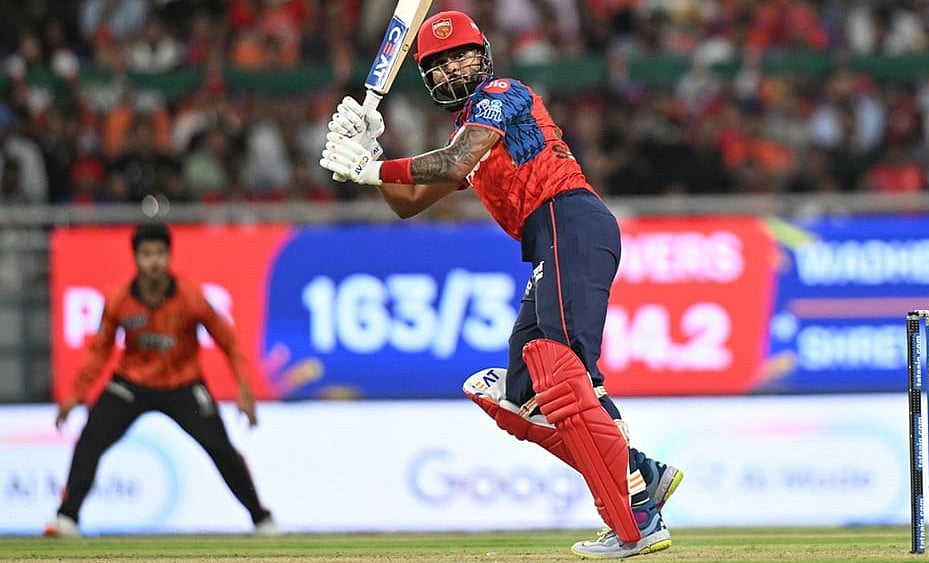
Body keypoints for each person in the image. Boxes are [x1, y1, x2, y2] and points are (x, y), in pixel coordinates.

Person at [319, 10, 682, 559]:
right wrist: (372, 156)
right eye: (440, 65)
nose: (453, 69)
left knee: (563, 371)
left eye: (461, 55)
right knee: (521, 395)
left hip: (569, 219)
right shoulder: (465, 132)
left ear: (484, 54)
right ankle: (640, 472)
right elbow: (408, 203)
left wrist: (372, 169)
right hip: (551, 238)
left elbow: (452, 163)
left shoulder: (503, 94)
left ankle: (635, 517)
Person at [44, 223, 276, 537]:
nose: (154, 262)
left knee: (220, 448)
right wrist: (76, 394)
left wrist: (244, 389)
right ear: (136, 258)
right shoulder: (119, 299)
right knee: (91, 438)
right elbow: (100, 350)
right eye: (147, 254)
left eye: (160, 253)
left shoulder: (191, 297)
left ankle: (262, 519)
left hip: (183, 383)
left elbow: (229, 342)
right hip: (132, 383)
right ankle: (66, 518)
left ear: (169, 256)